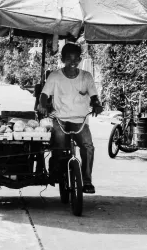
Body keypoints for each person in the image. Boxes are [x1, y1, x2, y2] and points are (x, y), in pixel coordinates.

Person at [38, 43, 103, 194]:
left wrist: (96, 105)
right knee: (59, 145)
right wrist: (42, 105)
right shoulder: (55, 76)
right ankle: (56, 169)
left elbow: (94, 96)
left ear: (80, 59)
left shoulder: (86, 77)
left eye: (76, 59)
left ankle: (87, 181)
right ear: (62, 59)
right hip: (60, 119)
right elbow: (44, 95)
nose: (73, 62)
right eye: (69, 58)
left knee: (88, 147)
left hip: (80, 121)